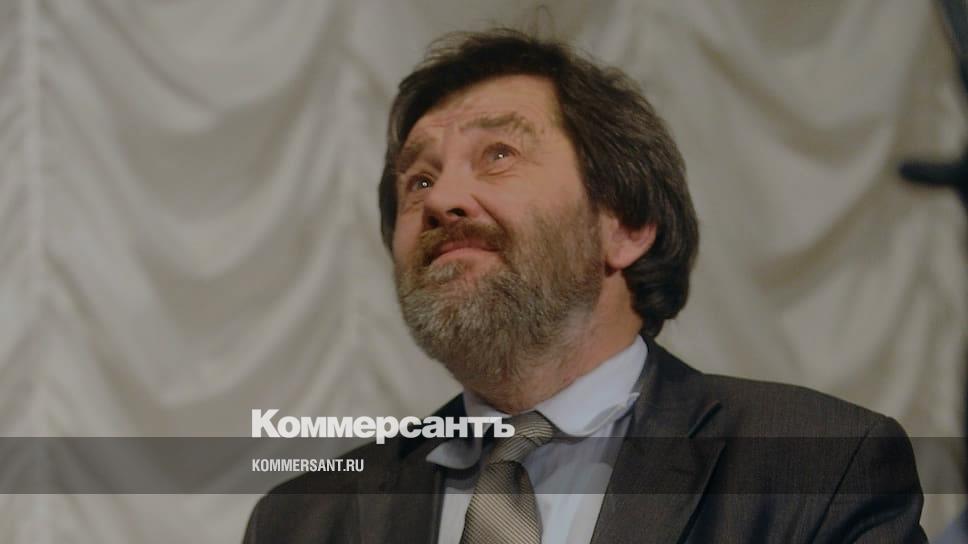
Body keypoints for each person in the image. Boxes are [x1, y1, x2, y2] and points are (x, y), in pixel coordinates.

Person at [243, 29, 926, 543]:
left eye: (498, 155)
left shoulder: (820, 471)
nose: (442, 200)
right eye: (418, 179)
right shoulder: (303, 520)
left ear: (624, 224)